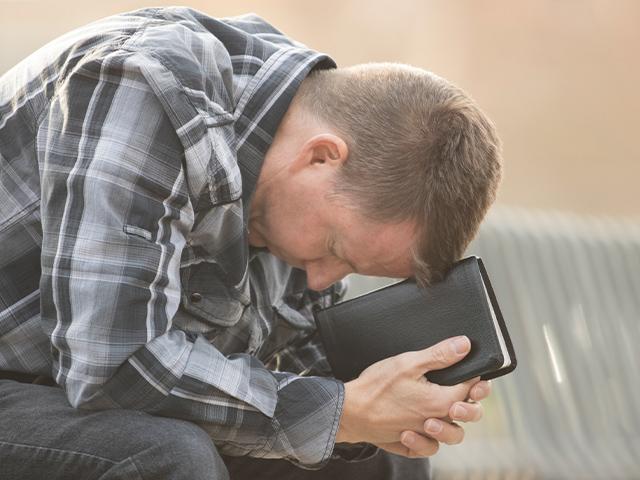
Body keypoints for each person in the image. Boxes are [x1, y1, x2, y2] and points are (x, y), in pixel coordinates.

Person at [0, 6, 502, 480]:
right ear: (321, 156)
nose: (324, 278)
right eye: (334, 247)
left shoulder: (290, 165)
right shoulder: (148, 85)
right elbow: (114, 364)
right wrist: (344, 411)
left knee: (371, 460)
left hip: (66, 398)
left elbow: (299, 374)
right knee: (164, 455)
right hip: (37, 384)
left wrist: (391, 406)